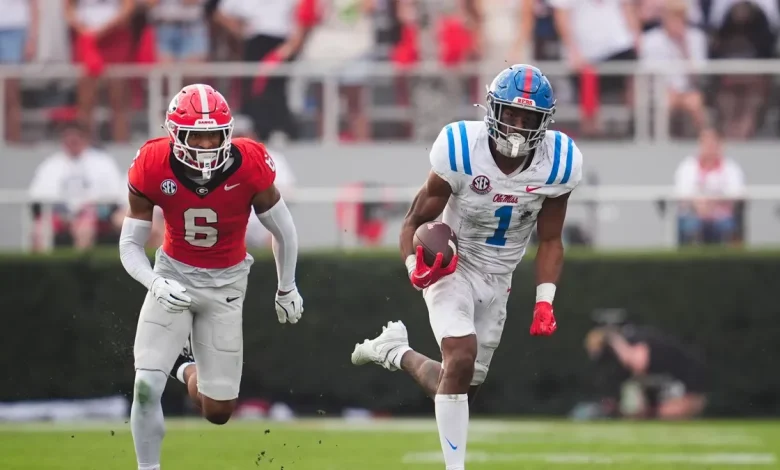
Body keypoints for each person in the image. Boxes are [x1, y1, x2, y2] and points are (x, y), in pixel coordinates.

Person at [351, 64, 583, 470]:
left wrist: (545, 300)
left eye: (527, 118)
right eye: (510, 114)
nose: (517, 125)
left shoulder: (558, 162)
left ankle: (396, 352)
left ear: (543, 122)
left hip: (500, 276)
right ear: (492, 110)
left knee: (458, 385)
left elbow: (550, 239)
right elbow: (413, 222)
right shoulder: (460, 148)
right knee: (460, 357)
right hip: (452, 263)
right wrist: (413, 266)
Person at [118, 84, 304, 470]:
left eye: (213, 135)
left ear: (228, 132)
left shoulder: (250, 161)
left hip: (227, 283)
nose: (205, 145)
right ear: (175, 134)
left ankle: (182, 365)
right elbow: (130, 245)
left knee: (218, 410)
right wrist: (154, 281)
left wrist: (287, 286)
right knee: (145, 385)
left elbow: (284, 230)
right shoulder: (152, 162)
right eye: (195, 136)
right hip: (173, 276)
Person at [585, 323, 708, 420]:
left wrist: (617, 343)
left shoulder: (634, 338)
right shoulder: (630, 344)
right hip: (673, 384)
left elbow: (638, 363)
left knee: (667, 413)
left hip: (687, 383)